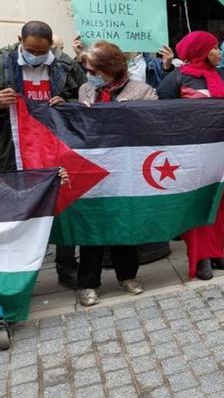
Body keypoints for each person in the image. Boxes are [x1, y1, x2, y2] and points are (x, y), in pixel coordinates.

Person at [0, 21, 82, 289]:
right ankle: (19, 273)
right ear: (19, 40)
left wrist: (67, 103)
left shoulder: (64, 65)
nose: (35, 56)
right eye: (30, 50)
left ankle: (67, 267)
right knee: (18, 212)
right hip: (13, 150)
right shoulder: (2, 63)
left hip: (54, 147)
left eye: (42, 51)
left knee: (63, 207)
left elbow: (84, 96)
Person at [157, 31, 224, 280]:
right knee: (199, 205)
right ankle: (200, 256)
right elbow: (164, 115)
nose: (220, 51)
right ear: (200, 51)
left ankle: (216, 252)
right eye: (215, 47)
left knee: (222, 205)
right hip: (194, 156)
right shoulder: (176, 79)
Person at [75, 41, 155, 306]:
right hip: (92, 168)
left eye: (93, 70)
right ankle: (88, 283)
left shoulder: (143, 91)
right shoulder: (86, 90)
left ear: (109, 68)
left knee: (123, 222)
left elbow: (153, 128)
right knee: (91, 226)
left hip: (125, 168)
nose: (89, 74)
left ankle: (127, 276)